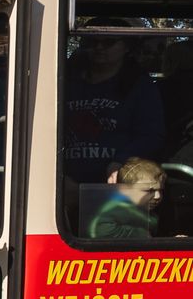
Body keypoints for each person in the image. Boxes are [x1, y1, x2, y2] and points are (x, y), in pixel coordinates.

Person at [63, 18, 165, 186]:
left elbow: (151, 135)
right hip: (63, 181)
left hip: (117, 181)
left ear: (127, 46)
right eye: (92, 41)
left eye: (109, 42)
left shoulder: (139, 85)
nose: (99, 48)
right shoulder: (65, 81)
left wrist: (122, 163)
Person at [86, 157, 165, 239]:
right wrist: (141, 234)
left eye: (161, 190)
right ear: (125, 191)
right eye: (148, 190)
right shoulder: (116, 209)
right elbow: (99, 230)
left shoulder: (147, 211)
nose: (157, 196)